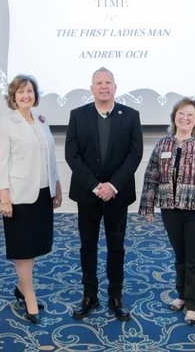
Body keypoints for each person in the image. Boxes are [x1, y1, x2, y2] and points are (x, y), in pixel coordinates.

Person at [65, 67, 143, 321]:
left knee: (116, 247)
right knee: (87, 246)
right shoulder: (78, 115)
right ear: (91, 89)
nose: (103, 86)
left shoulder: (131, 115)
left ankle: (115, 296)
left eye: (108, 82)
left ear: (115, 87)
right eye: (98, 83)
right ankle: (89, 295)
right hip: (88, 195)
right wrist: (96, 186)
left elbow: (135, 154)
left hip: (118, 195)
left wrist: (113, 186)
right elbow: (72, 155)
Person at [139, 97, 195, 325]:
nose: (185, 118)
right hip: (171, 210)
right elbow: (151, 176)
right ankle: (182, 295)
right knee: (180, 257)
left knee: (194, 259)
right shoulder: (163, 144)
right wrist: (148, 205)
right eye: (181, 114)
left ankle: (193, 306)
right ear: (174, 117)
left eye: (190, 115)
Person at [0, 74, 62, 325]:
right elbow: (0, 161)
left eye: (29, 91)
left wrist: (56, 185)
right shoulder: (5, 121)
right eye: (21, 91)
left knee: (36, 244)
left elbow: (50, 156)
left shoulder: (41, 120)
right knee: (23, 247)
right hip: (18, 195)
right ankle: (29, 295)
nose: (26, 95)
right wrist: (3, 197)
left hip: (42, 192)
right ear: (13, 96)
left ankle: (22, 288)